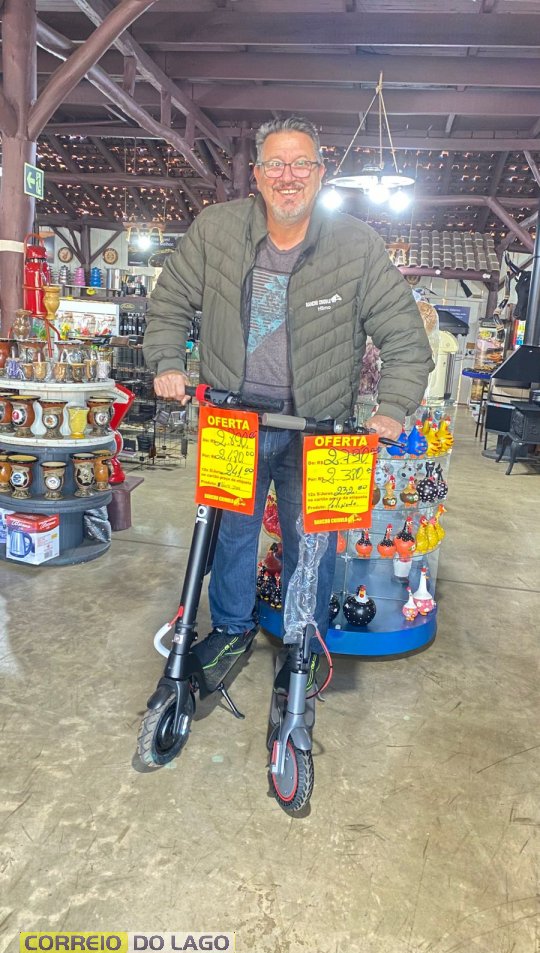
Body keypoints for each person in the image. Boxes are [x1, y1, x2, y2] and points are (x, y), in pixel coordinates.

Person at [143, 116, 434, 690]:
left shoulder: (356, 245)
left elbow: (405, 337)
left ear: (321, 174)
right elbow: (170, 300)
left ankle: (306, 637)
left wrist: (392, 407)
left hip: (322, 428)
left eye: (302, 163)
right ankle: (231, 628)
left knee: (313, 541)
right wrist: (168, 363)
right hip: (235, 419)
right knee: (233, 533)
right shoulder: (216, 229)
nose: (288, 176)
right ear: (256, 175)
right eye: (275, 164)